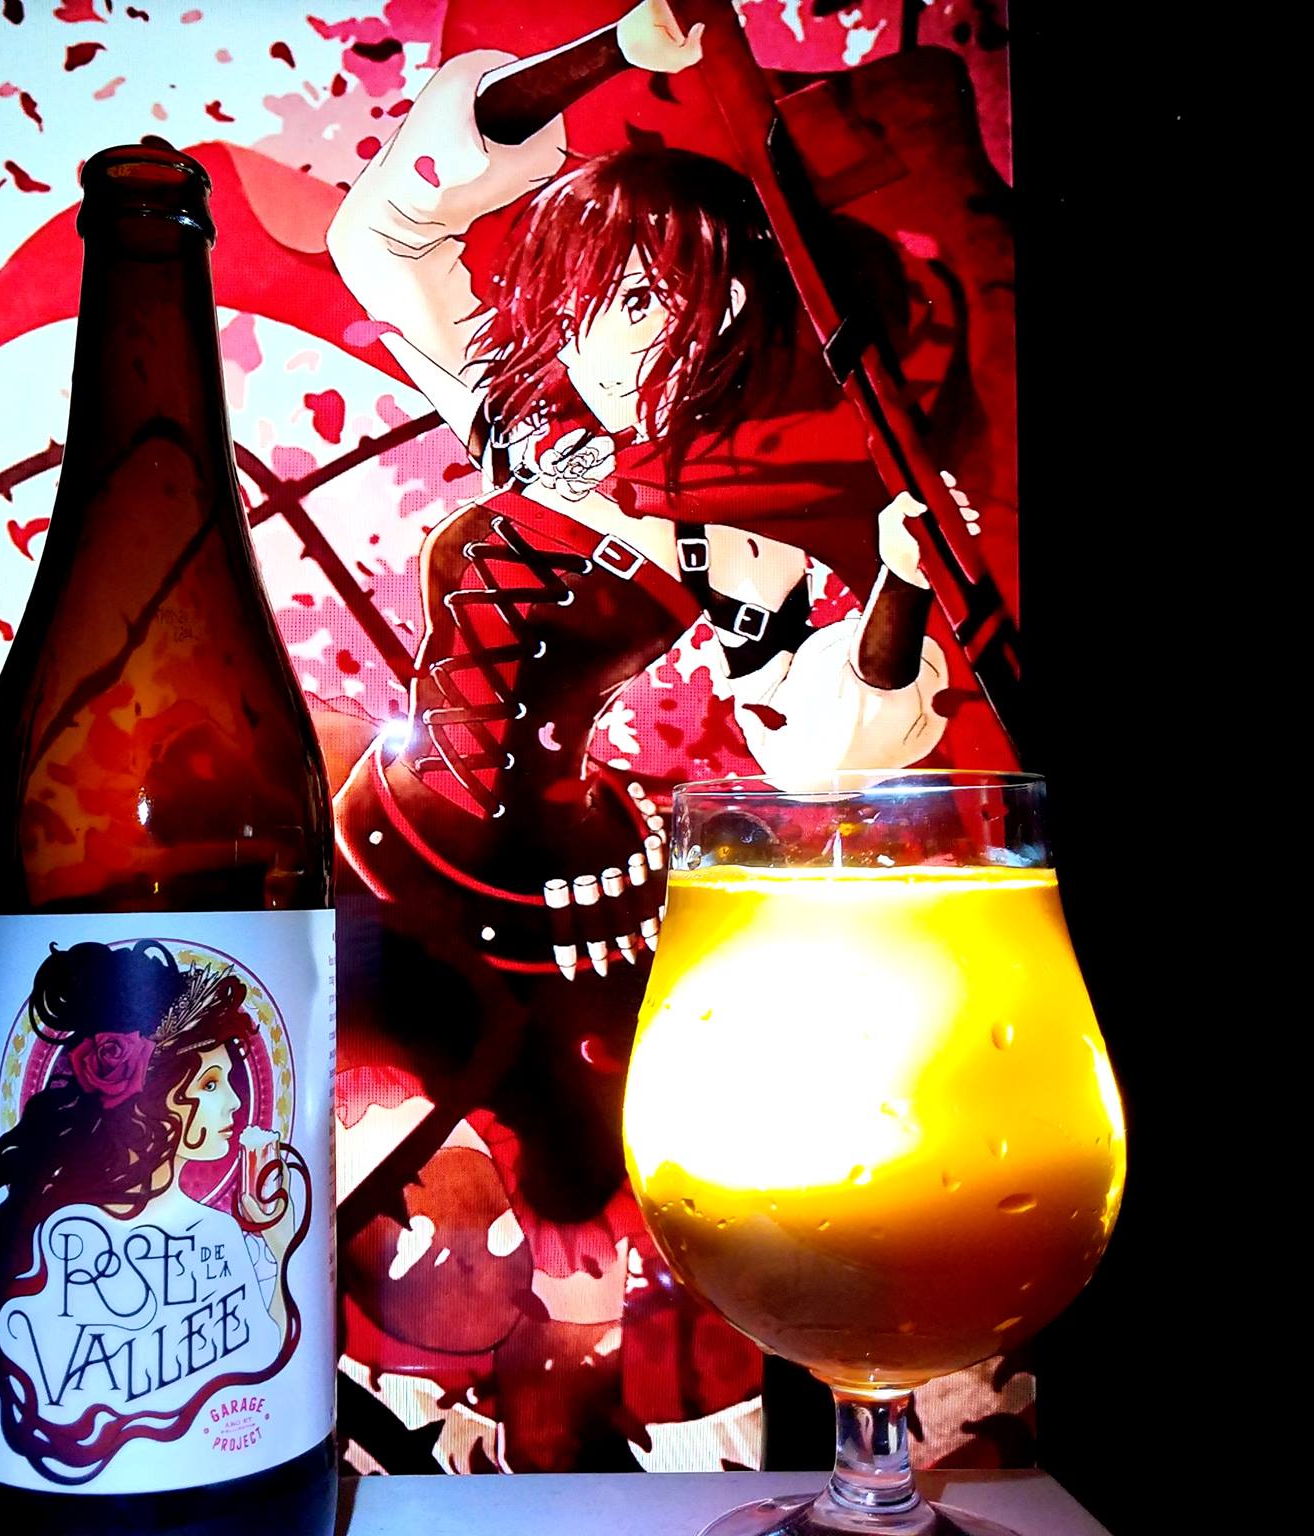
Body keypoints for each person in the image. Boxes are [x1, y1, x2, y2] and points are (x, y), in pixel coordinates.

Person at [317, 0, 986, 1471]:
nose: (644, 340)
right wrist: (614, 50)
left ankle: (602, 1460)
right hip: (384, 847)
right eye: (611, 298)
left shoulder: (730, 545)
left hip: (562, 909)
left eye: (684, 305)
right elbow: (384, 235)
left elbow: (822, 751)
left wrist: (895, 587)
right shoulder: (520, 416)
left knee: (588, 1222)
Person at [0, 939, 303, 1483]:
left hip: (250, 1484)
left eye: (228, 1081)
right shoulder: (55, 1232)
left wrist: (277, 1246)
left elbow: (270, 1357)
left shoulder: (223, 1231)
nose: (235, 1103)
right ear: (149, 1095)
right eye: (211, 1084)